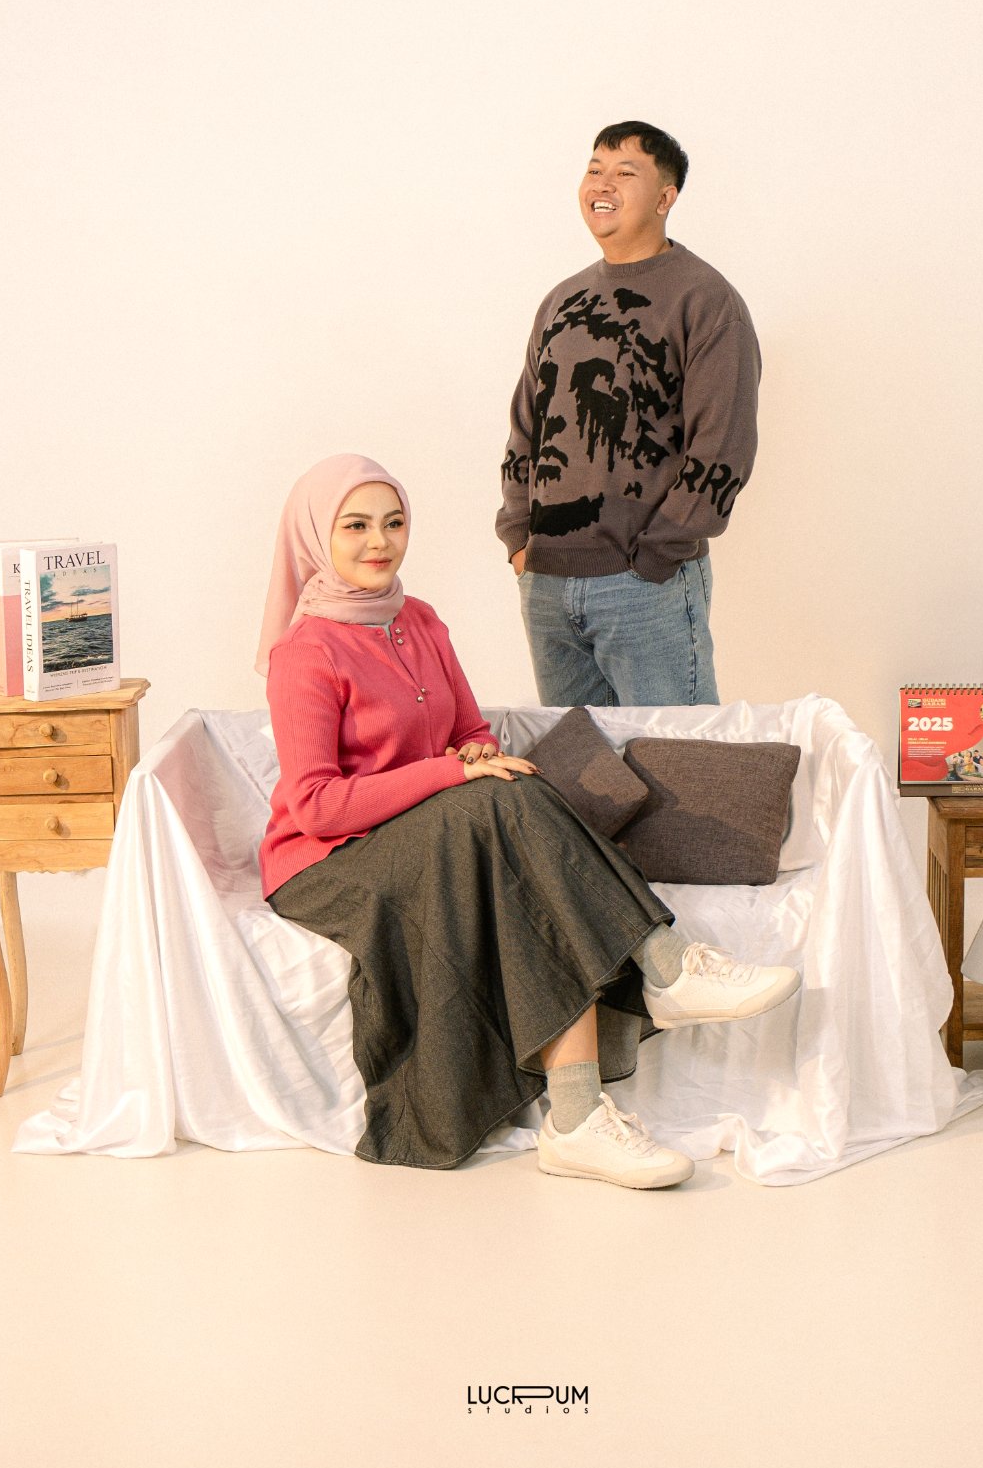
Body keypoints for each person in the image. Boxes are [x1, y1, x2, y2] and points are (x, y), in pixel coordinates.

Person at [256, 455, 799, 1189]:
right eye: (355, 526)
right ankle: (662, 967)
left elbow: (470, 730)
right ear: (316, 536)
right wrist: (454, 772)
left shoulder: (420, 621)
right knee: (495, 800)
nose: (379, 542)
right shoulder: (305, 651)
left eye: (394, 522)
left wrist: (473, 754)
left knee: (512, 824)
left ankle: (578, 1119)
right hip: (329, 862)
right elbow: (317, 804)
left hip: (435, 828)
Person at [496, 120, 762, 708]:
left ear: (666, 198)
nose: (602, 183)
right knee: (576, 761)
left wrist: (656, 556)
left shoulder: (706, 300)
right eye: (594, 169)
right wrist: (520, 538)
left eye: (625, 172)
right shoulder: (561, 300)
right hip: (546, 582)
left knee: (675, 756)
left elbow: (724, 445)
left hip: (645, 586)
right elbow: (525, 429)